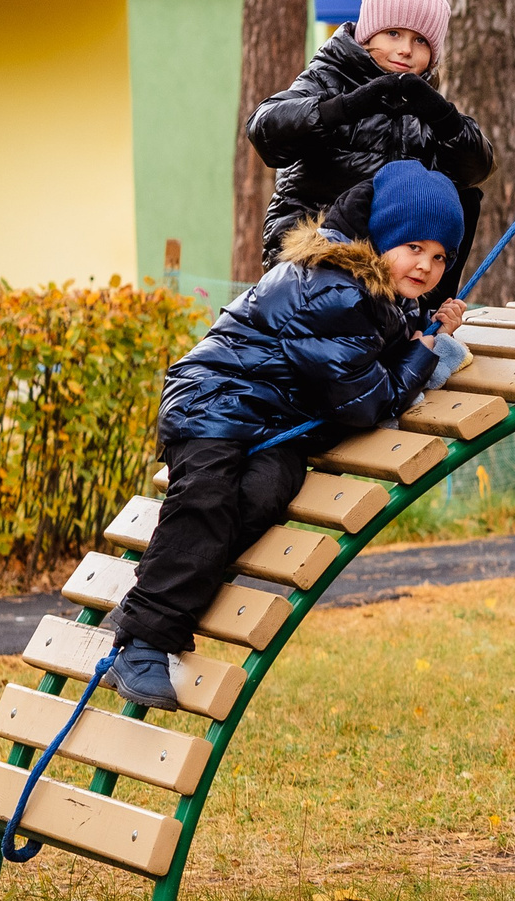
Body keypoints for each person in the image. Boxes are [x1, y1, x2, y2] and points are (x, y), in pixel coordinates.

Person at [109, 161, 468, 711]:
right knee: (205, 500)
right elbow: (368, 401)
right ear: (378, 239)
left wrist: (425, 331)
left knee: (266, 492)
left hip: (270, 421)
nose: (426, 264)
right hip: (214, 400)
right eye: (414, 246)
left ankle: (150, 604)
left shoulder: (380, 297)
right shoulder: (333, 290)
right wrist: (425, 350)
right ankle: (146, 643)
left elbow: (370, 360)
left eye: (440, 255)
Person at [246, 0, 490, 280]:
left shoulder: (424, 105)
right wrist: (347, 106)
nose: (405, 49)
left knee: (461, 197)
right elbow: (264, 130)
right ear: (367, 35)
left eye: (420, 41)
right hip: (313, 247)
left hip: (389, 263)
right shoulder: (330, 75)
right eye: (393, 33)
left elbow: (476, 169)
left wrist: (443, 115)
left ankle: (428, 318)